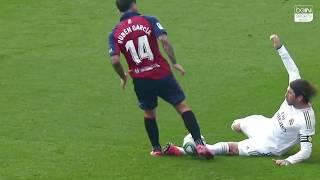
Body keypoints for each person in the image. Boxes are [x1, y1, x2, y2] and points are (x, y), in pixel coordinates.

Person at [164, 34, 317, 165]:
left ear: (300, 97)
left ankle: (185, 150)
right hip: (265, 125)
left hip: (269, 145)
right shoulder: (295, 88)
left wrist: (289, 161)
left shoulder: (305, 119)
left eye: (290, 93)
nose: (286, 94)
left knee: (230, 148)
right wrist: (280, 47)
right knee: (236, 125)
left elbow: (306, 151)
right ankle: (200, 148)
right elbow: (293, 69)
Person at [108, 0, 213, 158]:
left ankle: (156, 149)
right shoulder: (149, 20)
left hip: (141, 80)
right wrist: (175, 63)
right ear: (134, 5)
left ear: (118, 11)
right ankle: (199, 143)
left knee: (149, 113)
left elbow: (115, 60)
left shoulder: (115, 32)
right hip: (161, 73)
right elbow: (164, 41)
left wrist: (123, 76)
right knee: (182, 107)